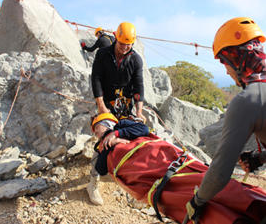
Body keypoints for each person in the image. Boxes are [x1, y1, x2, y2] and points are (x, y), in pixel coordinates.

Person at [91, 113, 266, 224]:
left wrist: (117, 134)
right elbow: (101, 168)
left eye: (98, 127)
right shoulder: (101, 149)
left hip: (162, 159)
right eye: (95, 131)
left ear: (107, 122)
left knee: (201, 181)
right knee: (186, 202)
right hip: (145, 178)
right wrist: (106, 145)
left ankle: (254, 205)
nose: (97, 132)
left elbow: (142, 128)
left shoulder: (124, 126)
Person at [185, 17, 266, 223]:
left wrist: (197, 201)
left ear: (236, 59)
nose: (226, 71)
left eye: (224, 62)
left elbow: (220, 172)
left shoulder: (248, 100)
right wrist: (260, 158)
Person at [87, 22, 146, 205]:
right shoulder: (104, 54)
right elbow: (95, 78)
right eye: (122, 44)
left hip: (125, 104)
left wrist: (139, 111)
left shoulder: (135, 60)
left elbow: (138, 85)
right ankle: (93, 181)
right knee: (104, 135)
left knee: (134, 135)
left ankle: (123, 174)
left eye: (128, 45)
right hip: (106, 100)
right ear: (116, 38)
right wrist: (101, 106)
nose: (125, 48)